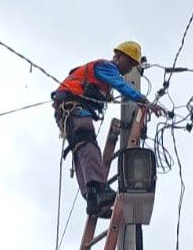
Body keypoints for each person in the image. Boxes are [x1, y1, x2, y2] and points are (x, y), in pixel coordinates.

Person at [51, 41, 162, 218]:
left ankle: (93, 201)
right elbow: (122, 86)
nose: (130, 69)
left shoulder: (101, 73)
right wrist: (144, 101)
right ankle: (99, 189)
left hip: (68, 111)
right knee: (88, 146)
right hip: (73, 109)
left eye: (134, 65)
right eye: (130, 63)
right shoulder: (106, 66)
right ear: (120, 57)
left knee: (81, 150)